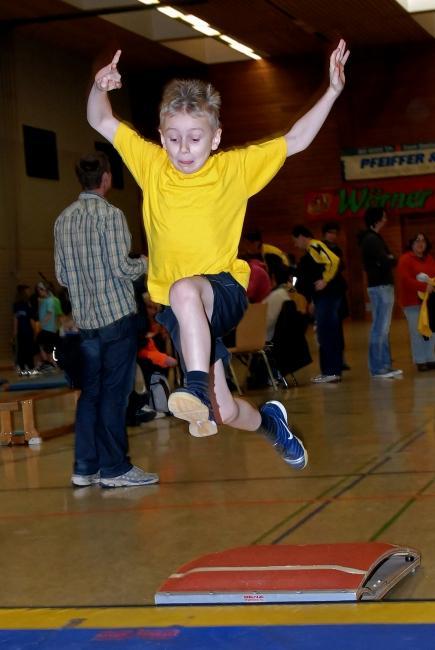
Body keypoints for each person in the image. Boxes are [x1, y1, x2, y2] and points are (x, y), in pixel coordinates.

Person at [86, 39, 349, 470]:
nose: (183, 149)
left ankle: (191, 387)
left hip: (222, 289)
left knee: (186, 290)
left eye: (194, 138)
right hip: (180, 310)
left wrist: (333, 91)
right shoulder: (152, 164)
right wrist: (101, 86)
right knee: (223, 411)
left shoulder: (234, 169)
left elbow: (297, 139)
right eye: (173, 138)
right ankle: (270, 425)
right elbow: (100, 117)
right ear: (161, 136)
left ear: (216, 137)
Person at [54, 152, 159, 488]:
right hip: (116, 318)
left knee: (91, 394)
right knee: (115, 395)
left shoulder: (63, 220)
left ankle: (85, 467)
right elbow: (122, 268)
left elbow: (63, 277)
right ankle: (114, 468)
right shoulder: (111, 216)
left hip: (86, 324)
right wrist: (145, 262)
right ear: (107, 178)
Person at [292, 224, 342, 383]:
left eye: (295, 240)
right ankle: (329, 371)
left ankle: (331, 371)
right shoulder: (311, 250)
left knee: (327, 333)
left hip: (328, 297)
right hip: (322, 298)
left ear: (301, 236)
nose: (295, 244)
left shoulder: (315, 246)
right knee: (325, 333)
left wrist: (325, 280)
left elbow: (334, 260)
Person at [358, 208, 402, 379]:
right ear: (376, 219)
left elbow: (387, 259)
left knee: (382, 328)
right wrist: (390, 258)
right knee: (380, 329)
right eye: (383, 216)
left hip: (380, 287)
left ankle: (384, 365)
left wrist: (390, 258)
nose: (386, 219)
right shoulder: (372, 239)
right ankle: (379, 368)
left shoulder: (372, 238)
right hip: (381, 287)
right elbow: (386, 260)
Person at [397, 233, 435, 371]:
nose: (420, 243)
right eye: (417, 241)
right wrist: (424, 286)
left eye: (423, 241)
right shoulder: (405, 259)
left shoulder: (430, 259)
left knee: (430, 330)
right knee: (417, 331)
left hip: (429, 302)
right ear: (411, 244)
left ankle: (430, 358)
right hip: (412, 302)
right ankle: (420, 360)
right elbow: (405, 280)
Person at [321, 220, 350, 370]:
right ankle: (333, 360)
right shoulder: (320, 249)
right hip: (327, 292)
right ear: (324, 234)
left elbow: (341, 266)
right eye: (330, 232)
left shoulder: (337, 249)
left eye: (335, 233)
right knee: (329, 328)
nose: (333, 235)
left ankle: (341, 358)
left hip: (338, 290)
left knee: (338, 327)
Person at [12, 284, 35, 373]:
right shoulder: (25, 305)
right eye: (27, 291)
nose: (29, 293)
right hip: (26, 330)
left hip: (22, 331)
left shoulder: (18, 305)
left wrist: (15, 331)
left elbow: (16, 318)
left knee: (23, 349)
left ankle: (23, 366)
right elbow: (30, 319)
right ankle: (28, 366)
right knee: (26, 348)